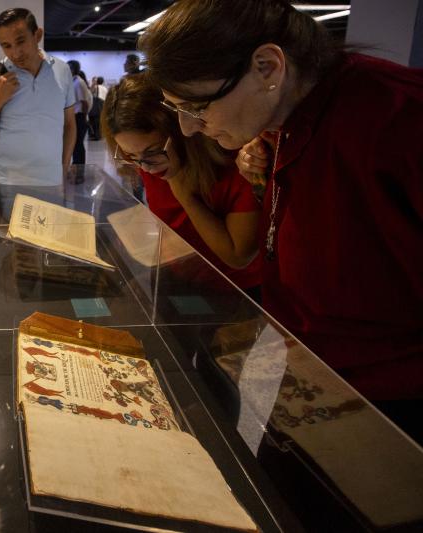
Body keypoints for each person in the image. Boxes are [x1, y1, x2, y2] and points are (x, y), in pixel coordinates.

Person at [140, 0, 423, 435]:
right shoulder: (281, 121)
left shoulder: (399, 118)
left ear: (267, 67)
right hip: (313, 369)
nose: (188, 128)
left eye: (196, 107)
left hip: (393, 404)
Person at [101, 74, 262, 298]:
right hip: (178, 276)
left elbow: (238, 256)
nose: (146, 168)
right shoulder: (152, 161)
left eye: (152, 152)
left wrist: (185, 195)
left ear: (182, 130)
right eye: (131, 155)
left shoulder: (238, 164)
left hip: (235, 291)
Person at [0, 8, 76, 213]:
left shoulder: (61, 70)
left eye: (21, 41)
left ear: (37, 35)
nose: (15, 53)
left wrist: (63, 169)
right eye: (6, 46)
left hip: (51, 182)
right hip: (6, 184)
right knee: (10, 235)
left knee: (51, 234)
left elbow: (69, 124)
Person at [68, 60, 92, 170]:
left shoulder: (78, 82)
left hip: (79, 116)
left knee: (78, 143)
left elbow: (84, 102)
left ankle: (79, 168)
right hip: (74, 116)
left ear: (73, 69)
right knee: (74, 142)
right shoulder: (72, 82)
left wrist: (84, 117)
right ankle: (76, 165)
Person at [88, 76, 107, 141]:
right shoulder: (105, 88)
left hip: (96, 106)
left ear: (97, 81)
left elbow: (90, 93)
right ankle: (100, 135)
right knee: (100, 121)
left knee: (95, 121)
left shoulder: (96, 87)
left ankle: (96, 135)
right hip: (103, 105)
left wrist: (93, 84)